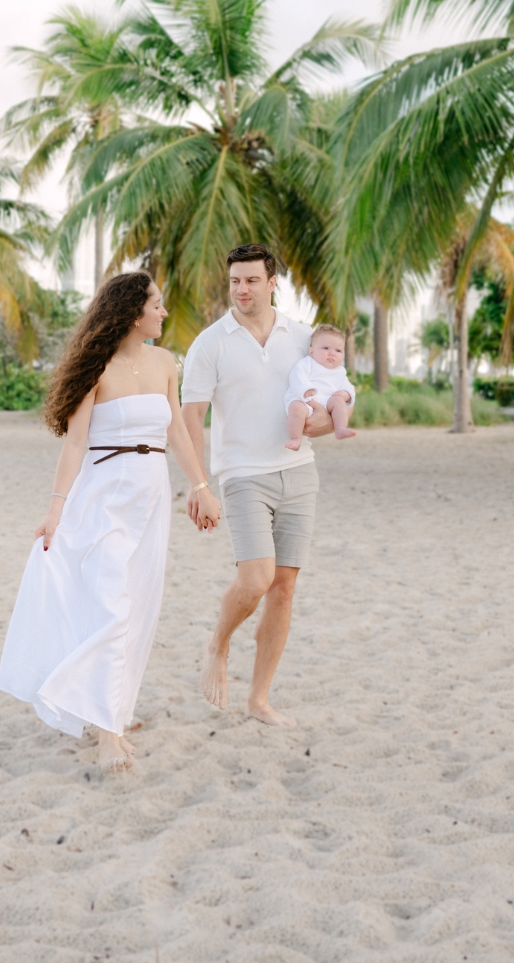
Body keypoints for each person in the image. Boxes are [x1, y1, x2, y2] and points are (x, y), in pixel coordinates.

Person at [0, 271, 220, 772]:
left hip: (151, 495)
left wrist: (201, 487)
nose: (164, 313)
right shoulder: (95, 368)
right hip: (102, 495)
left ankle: (110, 710)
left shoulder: (166, 364)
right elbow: (75, 443)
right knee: (112, 607)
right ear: (132, 312)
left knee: (138, 605)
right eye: (157, 305)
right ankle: (107, 734)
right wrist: (55, 511)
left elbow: (180, 436)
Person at [183, 242, 337, 728]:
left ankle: (259, 699)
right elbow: (191, 416)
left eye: (251, 280)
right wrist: (199, 484)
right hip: (242, 475)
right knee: (255, 580)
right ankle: (218, 643)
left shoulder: (304, 337)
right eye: (234, 281)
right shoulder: (210, 342)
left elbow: (336, 401)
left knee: (284, 588)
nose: (242, 289)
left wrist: (325, 423)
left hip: (299, 472)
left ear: (273, 283)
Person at [284, 322, 357, 448]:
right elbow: (296, 376)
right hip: (305, 400)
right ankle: (296, 438)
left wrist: (346, 394)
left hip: (328, 401)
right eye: (326, 348)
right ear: (311, 352)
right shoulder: (307, 363)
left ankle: (340, 429)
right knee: (296, 408)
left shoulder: (340, 372)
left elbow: (349, 387)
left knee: (339, 402)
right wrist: (305, 389)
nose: (332, 353)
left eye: (338, 350)